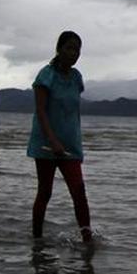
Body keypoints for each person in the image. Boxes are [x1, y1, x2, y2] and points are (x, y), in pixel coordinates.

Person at [28, 31, 93, 244]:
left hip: (70, 146)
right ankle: (36, 240)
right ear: (59, 49)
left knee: (79, 191)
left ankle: (87, 239)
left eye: (78, 50)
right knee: (45, 192)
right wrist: (52, 139)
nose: (74, 54)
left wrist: (77, 146)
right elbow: (40, 111)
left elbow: (74, 113)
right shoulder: (46, 76)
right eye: (70, 48)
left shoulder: (76, 77)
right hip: (46, 145)